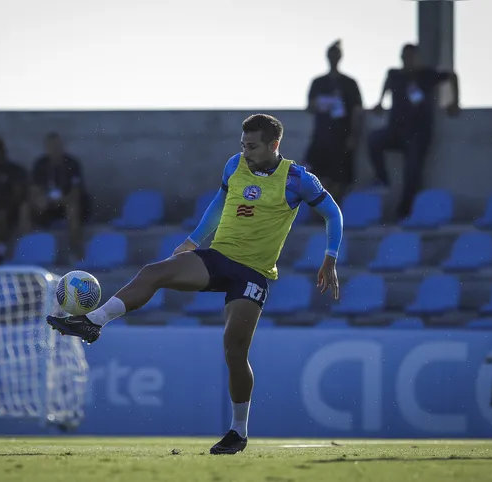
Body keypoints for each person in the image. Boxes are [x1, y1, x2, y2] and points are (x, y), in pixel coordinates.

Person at [47, 114, 344, 455]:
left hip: (253, 273)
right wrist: (192, 240)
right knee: (154, 272)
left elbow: (332, 213)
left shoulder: (297, 178)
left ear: (274, 145)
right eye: (242, 145)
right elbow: (219, 204)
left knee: (235, 350)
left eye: (253, 146)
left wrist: (330, 257)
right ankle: (93, 321)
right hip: (217, 258)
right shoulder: (235, 165)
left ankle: (238, 431)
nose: (245, 151)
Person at [368, 43, 460, 219]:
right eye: (405, 57)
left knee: (412, 171)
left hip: (418, 133)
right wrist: (379, 102)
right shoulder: (394, 74)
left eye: (411, 57)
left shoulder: (426, 74)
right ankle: (382, 178)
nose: (408, 61)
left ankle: (405, 211)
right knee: (374, 139)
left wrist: (454, 102)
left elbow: (452, 76)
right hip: (395, 130)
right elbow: (387, 85)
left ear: (417, 58)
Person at [304, 40, 363, 203]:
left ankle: (334, 213)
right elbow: (309, 107)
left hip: (341, 137)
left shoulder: (349, 83)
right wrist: (321, 103)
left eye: (336, 55)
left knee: (340, 178)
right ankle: (319, 215)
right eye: (331, 55)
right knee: (316, 176)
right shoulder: (318, 82)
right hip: (321, 137)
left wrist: (354, 136)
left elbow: (357, 112)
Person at [21, 132, 87, 262]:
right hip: (46, 205)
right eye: (51, 146)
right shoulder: (40, 164)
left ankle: (75, 253)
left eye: (57, 145)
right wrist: (41, 199)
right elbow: (34, 189)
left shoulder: (72, 164)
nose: (54, 149)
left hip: (65, 204)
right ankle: (27, 252)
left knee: (73, 209)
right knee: (24, 208)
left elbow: (76, 192)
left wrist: (61, 200)